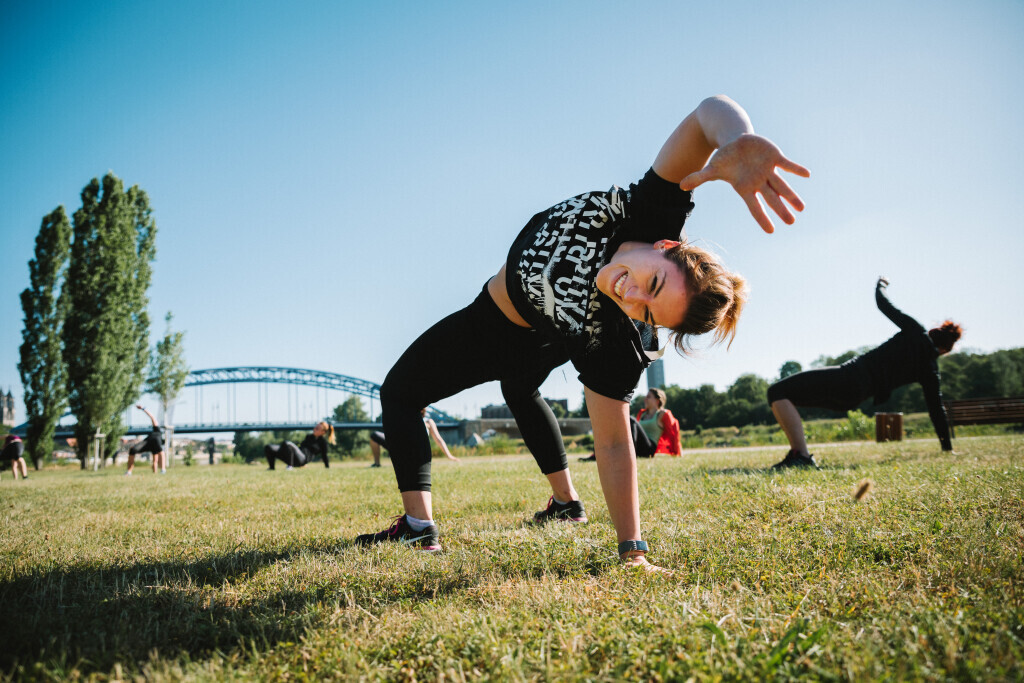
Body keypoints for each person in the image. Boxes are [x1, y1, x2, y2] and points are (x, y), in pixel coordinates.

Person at [355, 95, 808, 572]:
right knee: (516, 388)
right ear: (666, 245)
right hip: (494, 318)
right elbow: (705, 115)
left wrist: (632, 551)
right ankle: (566, 503)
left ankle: (419, 530)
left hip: (509, 330)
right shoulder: (649, 210)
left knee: (401, 393)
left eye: (647, 313)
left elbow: (614, 445)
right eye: (652, 282)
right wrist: (737, 140)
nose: (630, 296)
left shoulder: (612, 342)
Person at [767, 277, 962, 469]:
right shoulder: (930, 369)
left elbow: (884, 304)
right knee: (784, 396)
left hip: (848, 376)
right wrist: (947, 447)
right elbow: (936, 409)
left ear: (933, 332)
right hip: (855, 397)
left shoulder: (915, 331)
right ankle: (799, 455)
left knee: (778, 391)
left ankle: (801, 455)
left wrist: (881, 285)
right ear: (945, 350)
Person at [369, 408, 458, 468]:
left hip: (415, 450)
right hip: (400, 446)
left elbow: (438, 439)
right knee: (374, 435)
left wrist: (450, 456)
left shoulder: (428, 422)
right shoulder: (405, 418)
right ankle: (377, 463)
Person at [264, 420, 335, 469]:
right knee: (269, 447)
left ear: (323, 432)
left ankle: (290, 466)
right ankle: (271, 467)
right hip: (296, 456)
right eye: (315, 427)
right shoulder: (309, 437)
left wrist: (327, 467)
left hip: (302, 459)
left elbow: (324, 456)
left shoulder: (322, 442)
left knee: (287, 443)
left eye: (317, 428)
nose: (314, 429)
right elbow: (301, 447)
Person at [637, 388, 683, 456]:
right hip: (638, 445)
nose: (645, 399)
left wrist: (677, 451)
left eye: (648, 397)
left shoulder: (661, 414)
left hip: (649, 447)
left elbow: (673, 432)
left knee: (632, 421)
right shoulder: (642, 414)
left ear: (657, 400)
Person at [126, 405, 166, 475]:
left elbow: (152, 417)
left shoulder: (157, 430)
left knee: (133, 450)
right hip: (152, 441)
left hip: (149, 441)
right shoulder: (157, 431)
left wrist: (143, 409)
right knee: (160, 453)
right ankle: (162, 470)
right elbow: (155, 461)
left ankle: (129, 471)